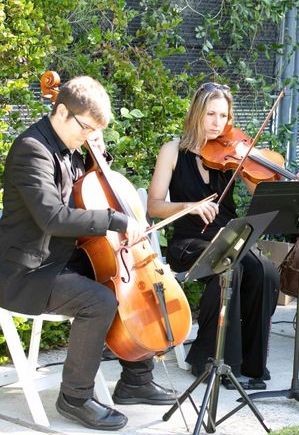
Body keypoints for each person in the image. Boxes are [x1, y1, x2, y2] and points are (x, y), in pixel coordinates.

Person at [0, 76, 175, 431]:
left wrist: (98, 151)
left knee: (125, 287)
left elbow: (88, 188)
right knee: (98, 301)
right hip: (26, 270)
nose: (87, 135)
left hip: (60, 259)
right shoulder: (31, 149)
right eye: (86, 128)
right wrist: (116, 221)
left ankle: (136, 379)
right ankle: (74, 397)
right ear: (61, 111)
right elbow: (52, 217)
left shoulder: (70, 147)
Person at [146, 82, 279, 388]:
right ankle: (213, 361)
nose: (218, 123)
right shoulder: (173, 150)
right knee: (229, 269)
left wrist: (254, 164)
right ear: (196, 114)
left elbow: (258, 189)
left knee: (266, 271)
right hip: (189, 242)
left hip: (230, 236)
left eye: (223, 116)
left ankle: (251, 362)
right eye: (211, 114)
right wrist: (188, 206)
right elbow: (154, 205)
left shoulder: (230, 154)